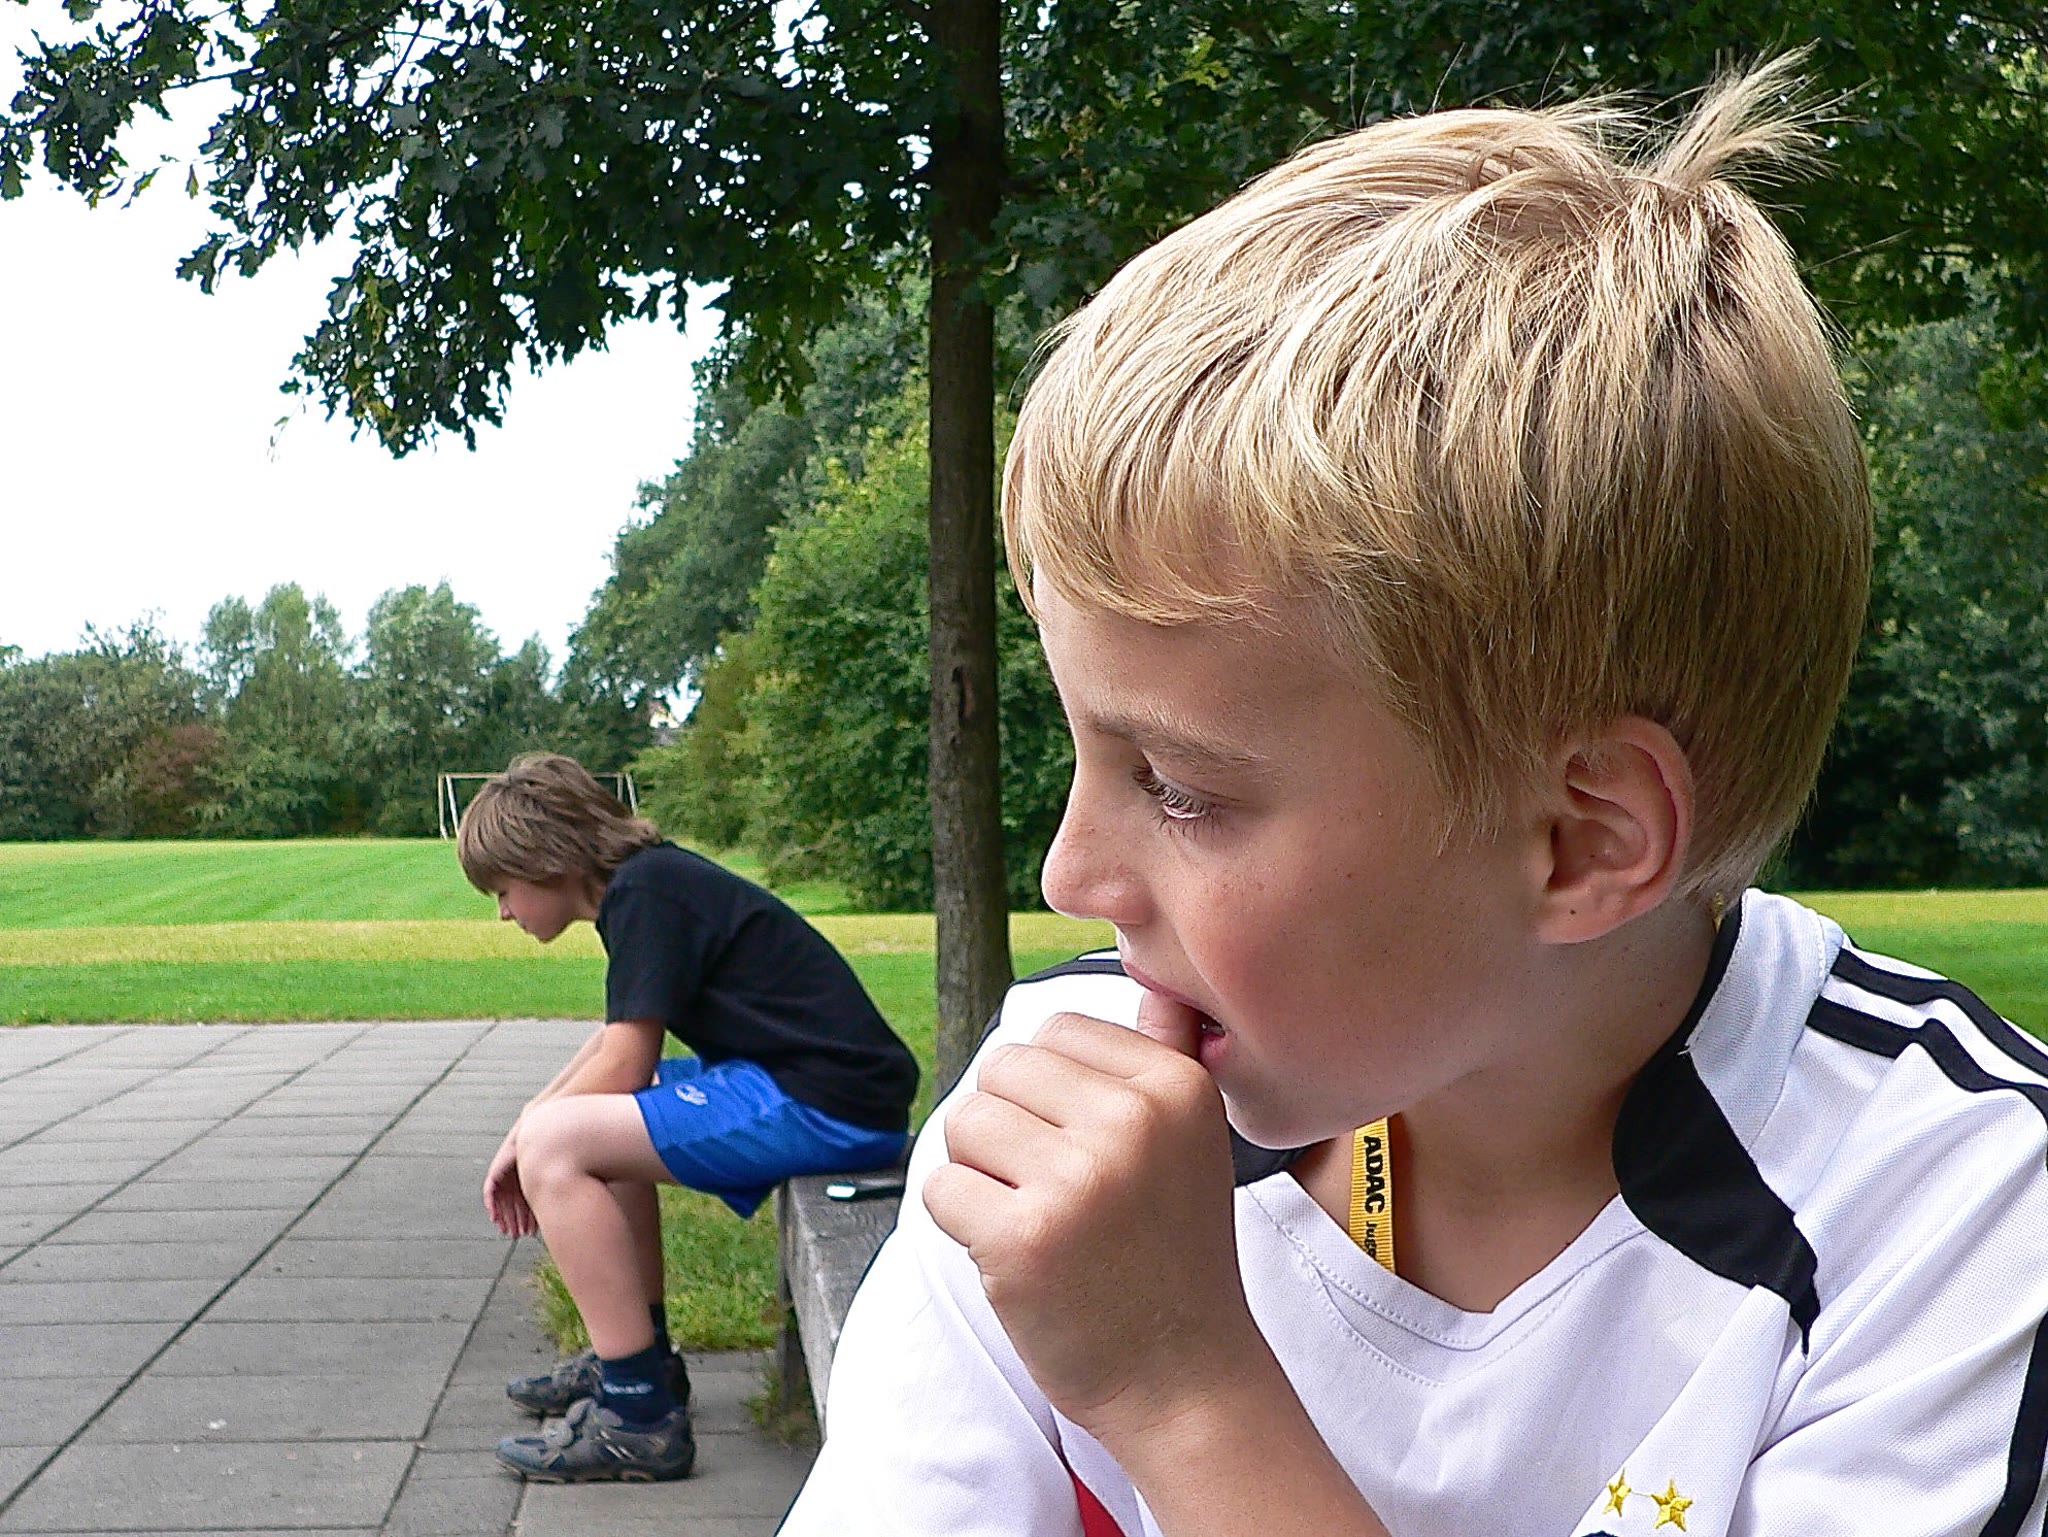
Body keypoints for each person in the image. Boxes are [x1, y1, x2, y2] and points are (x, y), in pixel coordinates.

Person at [779, 58, 2048, 1537]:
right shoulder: (1062, 1114)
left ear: (1581, 841)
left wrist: (1180, 1389)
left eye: (1179, 787)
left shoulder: (1950, 1216)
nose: (1070, 874)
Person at [455, 752, 918, 1483]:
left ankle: (638, 1414)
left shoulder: (646, 892)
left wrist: (528, 1142)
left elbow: (624, 1063)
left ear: (544, 861)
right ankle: (642, 1358)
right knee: (578, 1127)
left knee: (560, 1145)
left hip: (828, 1102)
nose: (504, 912)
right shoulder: (644, 885)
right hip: (814, 1086)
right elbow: (612, 1045)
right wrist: (526, 1119)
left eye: (502, 890)